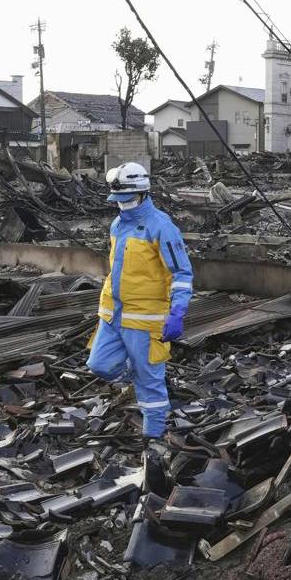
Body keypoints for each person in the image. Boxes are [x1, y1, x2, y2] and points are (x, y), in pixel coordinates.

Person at [86, 162, 192, 462]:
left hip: (145, 321)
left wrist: (178, 311)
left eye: (127, 200)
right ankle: (135, 373)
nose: (123, 206)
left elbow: (181, 272)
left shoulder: (162, 227)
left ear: (143, 194)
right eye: (118, 200)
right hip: (113, 315)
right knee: (99, 364)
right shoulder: (117, 225)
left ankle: (153, 439)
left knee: (150, 384)